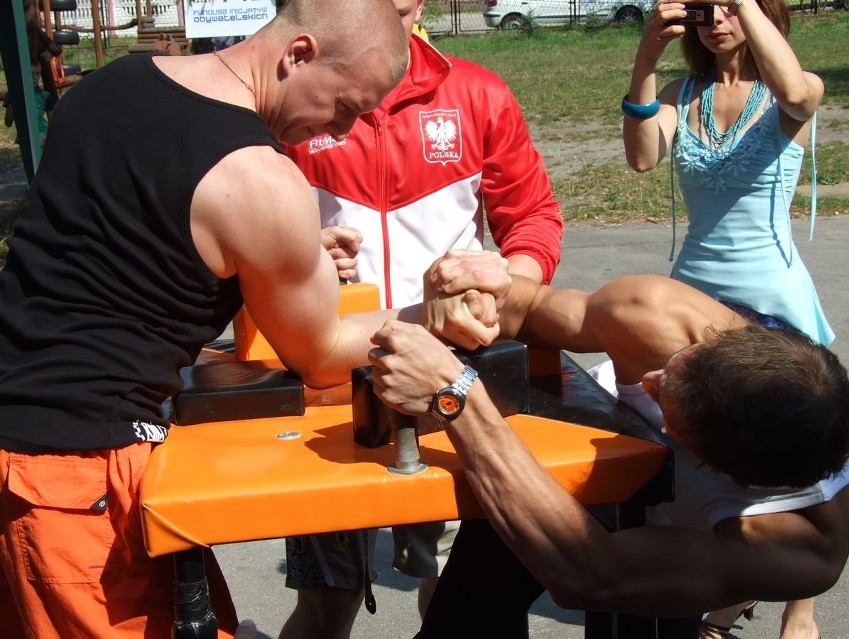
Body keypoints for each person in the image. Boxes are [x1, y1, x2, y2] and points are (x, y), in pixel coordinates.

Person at [0, 2, 497, 637]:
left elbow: (123, 244)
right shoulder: (261, 179)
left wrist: (278, 255)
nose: (342, 131)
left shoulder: (110, 87)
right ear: (298, 54)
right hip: (77, 476)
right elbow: (318, 350)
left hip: (22, 443)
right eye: (344, 106)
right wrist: (434, 315)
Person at [364, 264, 849, 638]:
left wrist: (454, 396)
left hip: (649, 546)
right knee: (461, 623)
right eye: (675, 366)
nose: (648, 381)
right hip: (549, 475)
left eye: (664, 400)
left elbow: (588, 574)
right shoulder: (660, 315)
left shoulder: (800, 549)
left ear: (731, 475)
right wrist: (483, 286)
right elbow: (529, 309)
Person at [279, 0, 563, 636]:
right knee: (329, 600)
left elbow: (534, 217)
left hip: (454, 373)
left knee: (472, 594)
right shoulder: (298, 95)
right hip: (333, 381)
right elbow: (251, 223)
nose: (386, 13)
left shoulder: (477, 93)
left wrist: (508, 284)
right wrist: (299, 253)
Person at [622, 0, 832, 634]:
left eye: (730, 6)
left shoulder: (796, 89)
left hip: (773, 304)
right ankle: (720, 582)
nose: (716, 20)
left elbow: (796, 91)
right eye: (704, 8)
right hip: (692, 302)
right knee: (698, 448)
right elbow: (640, 157)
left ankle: (802, 605)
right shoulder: (684, 95)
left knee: (797, 456)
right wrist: (646, 59)